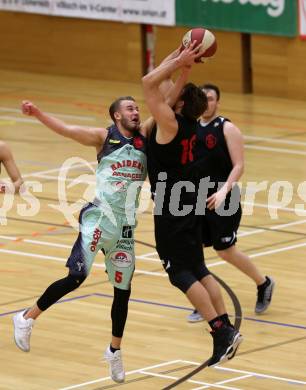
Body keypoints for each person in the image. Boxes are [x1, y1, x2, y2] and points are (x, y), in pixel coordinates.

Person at [13, 96, 149, 383]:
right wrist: (37, 112)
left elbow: (167, 102)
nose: (136, 112)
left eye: (137, 108)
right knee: (76, 277)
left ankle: (114, 351)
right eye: (130, 109)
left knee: (122, 291)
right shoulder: (104, 137)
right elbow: (65, 129)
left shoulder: (145, 137)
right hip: (99, 219)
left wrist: (183, 64)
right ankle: (26, 317)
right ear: (116, 116)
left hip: (125, 228)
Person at [142, 43, 243, 366]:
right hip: (189, 200)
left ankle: (219, 331)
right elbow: (167, 92)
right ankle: (225, 327)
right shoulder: (186, 123)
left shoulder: (169, 124)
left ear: (181, 103)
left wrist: (181, 63)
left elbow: (149, 83)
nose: (169, 94)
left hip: (172, 206)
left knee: (181, 273)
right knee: (198, 267)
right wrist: (183, 62)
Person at [187, 83, 275, 323]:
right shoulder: (191, 127)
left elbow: (239, 165)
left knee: (225, 250)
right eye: (203, 98)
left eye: (211, 98)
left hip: (223, 196)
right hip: (196, 195)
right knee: (193, 249)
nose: (207, 102)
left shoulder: (227, 128)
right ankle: (202, 298)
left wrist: (225, 190)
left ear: (218, 102)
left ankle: (264, 283)